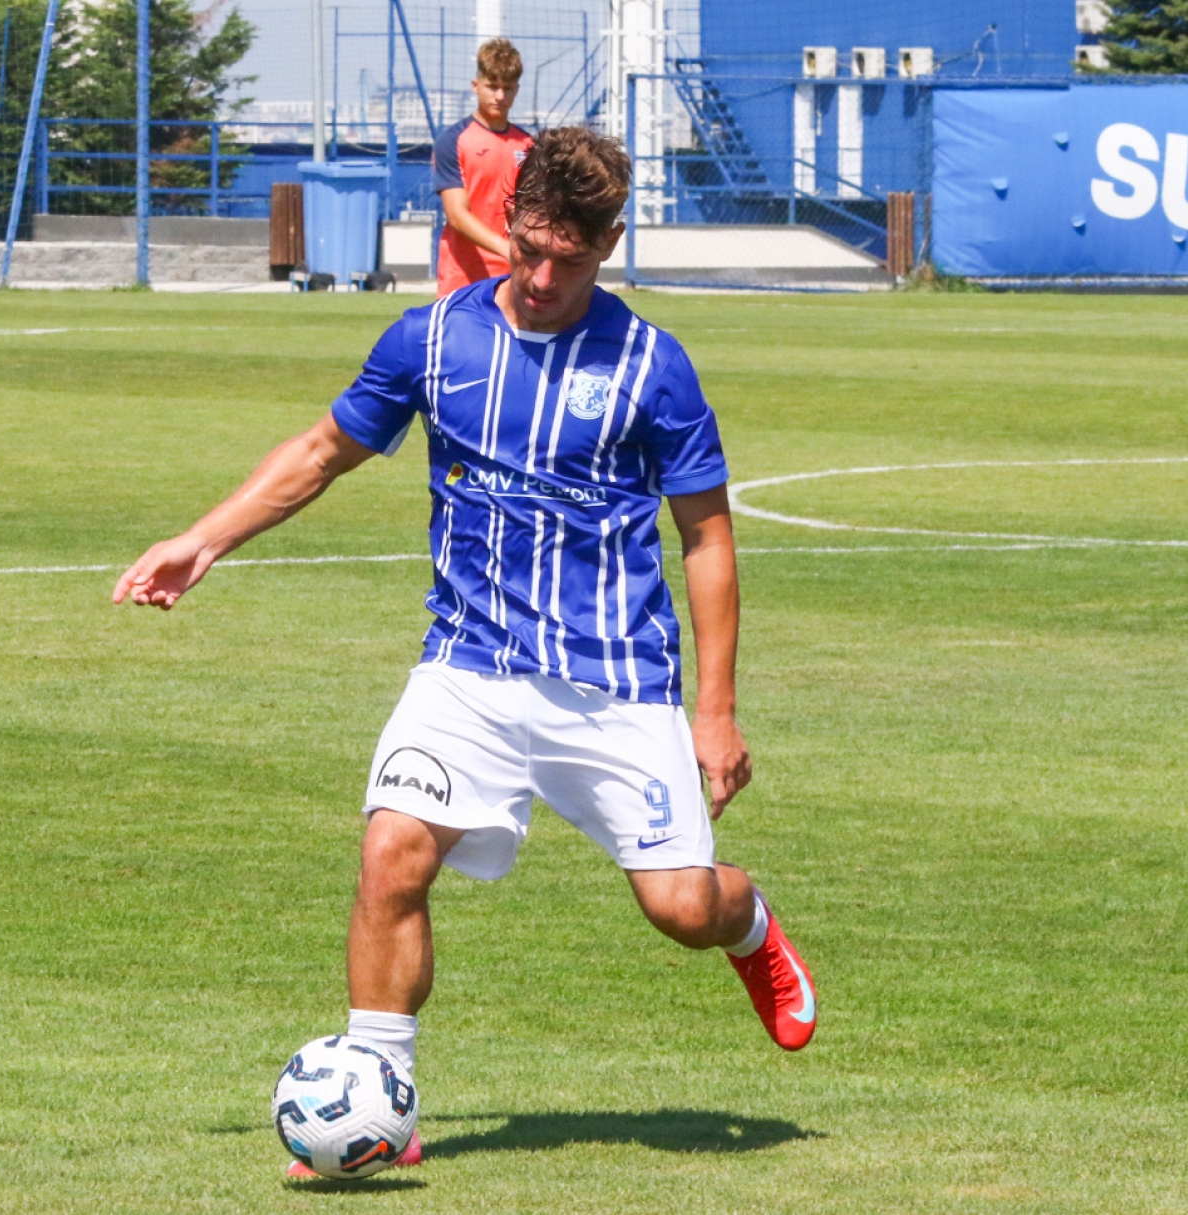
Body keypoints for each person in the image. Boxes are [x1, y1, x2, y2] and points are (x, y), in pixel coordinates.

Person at [114, 127, 818, 1174]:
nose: (540, 277)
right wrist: (202, 540)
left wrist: (714, 709)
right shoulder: (434, 340)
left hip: (615, 684)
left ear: (607, 245)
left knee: (682, 908)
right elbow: (322, 452)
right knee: (392, 852)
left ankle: (748, 922)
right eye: (527, 248)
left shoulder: (652, 367)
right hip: (469, 669)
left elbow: (707, 538)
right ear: (509, 224)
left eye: (567, 259)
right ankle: (380, 1107)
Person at [432, 38, 535, 296]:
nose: (500, 96)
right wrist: (505, 248)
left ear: (517, 90)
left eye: (507, 88)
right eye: (492, 87)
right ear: (475, 86)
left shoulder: (528, 144)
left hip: (513, 278)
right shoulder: (453, 140)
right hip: (462, 279)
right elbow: (456, 215)